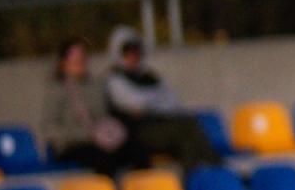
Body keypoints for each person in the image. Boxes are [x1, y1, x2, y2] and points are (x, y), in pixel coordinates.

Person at [103, 26, 221, 172]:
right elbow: (135, 102)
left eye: (136, 50)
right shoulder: (114, 79)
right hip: (138, 132)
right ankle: (214, 168)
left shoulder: (149, 77)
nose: (132, 56)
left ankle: (203, 176)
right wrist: (153, 102)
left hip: (161, 124)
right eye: (127, 51)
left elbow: (172, 101)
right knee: (185, 128)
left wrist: (149, 105)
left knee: (188, 131)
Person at [39, 36, 148, 175]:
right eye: (75, 56)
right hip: (73, 145)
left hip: (102, 139)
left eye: (82, 55)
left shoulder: (95, 85)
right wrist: (85, 134)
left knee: (137, 150)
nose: (80, 60)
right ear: (63, 61)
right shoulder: (57, 90)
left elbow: (105, 114)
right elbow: (50, 128)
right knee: (104, 158)